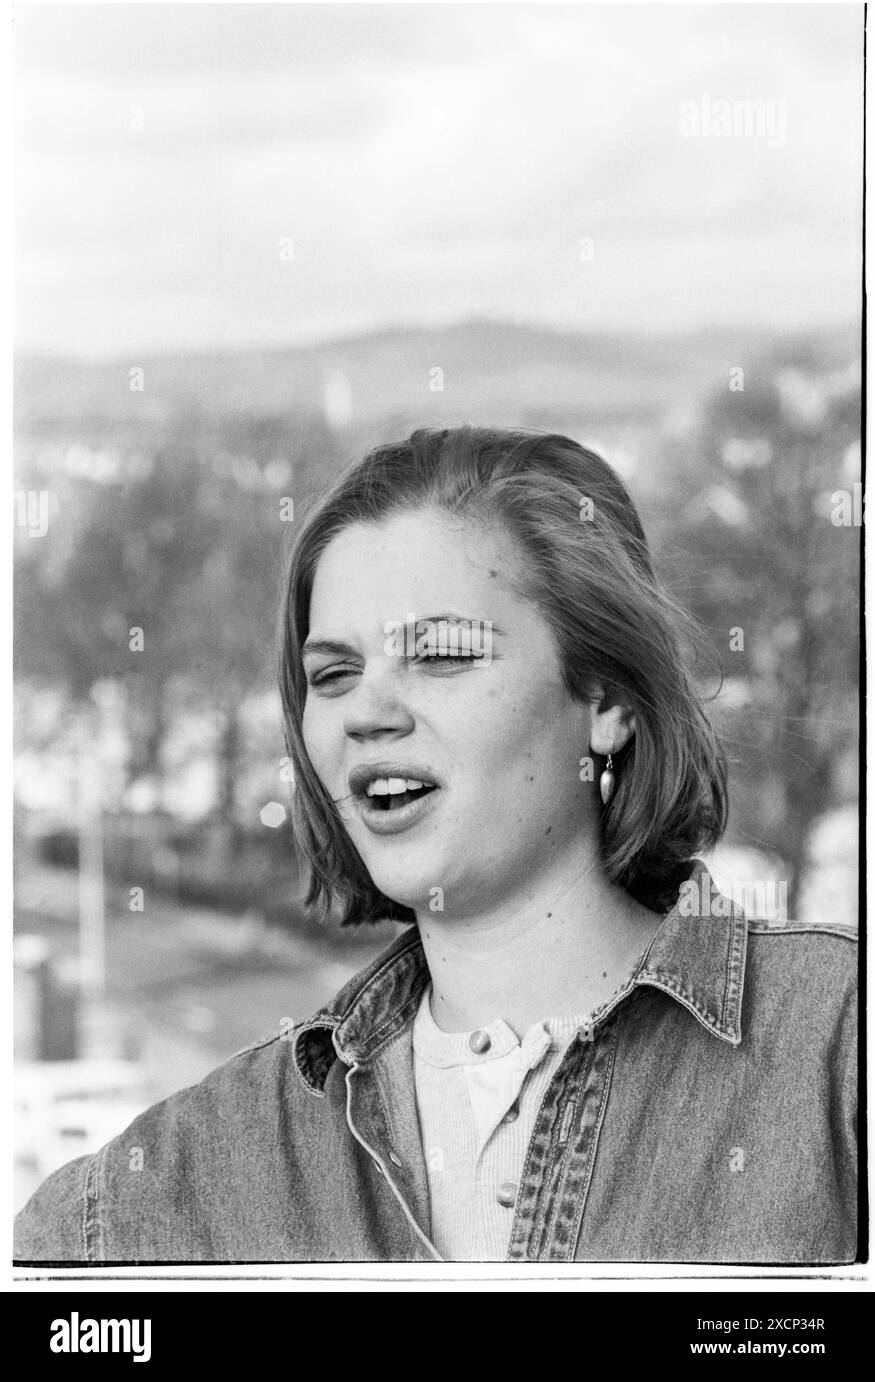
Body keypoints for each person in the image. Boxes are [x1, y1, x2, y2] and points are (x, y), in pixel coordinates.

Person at [14, 426, 857, 1264]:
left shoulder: (836, 1049)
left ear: (604, 698)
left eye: (441, 653)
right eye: (333, 673)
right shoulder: (153, 1199)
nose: (367, 711)